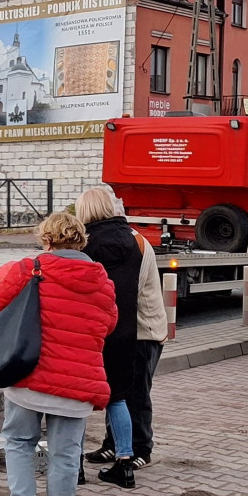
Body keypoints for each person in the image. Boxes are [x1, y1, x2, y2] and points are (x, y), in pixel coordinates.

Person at [0, 212, 116, 496]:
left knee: (19, 442)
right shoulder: (103, 281)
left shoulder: (28, 268)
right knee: (66, 454)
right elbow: (109, 325)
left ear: (46, 239)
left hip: (28, 375)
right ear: (80, 241)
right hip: (78, 383)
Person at [85, 191, 168, 469]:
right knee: (121, 391)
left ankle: (140, 449)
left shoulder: (92, 246)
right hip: (145, 328)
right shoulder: (139, 241)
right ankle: (116, 445)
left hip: (135, 330)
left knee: (130, 393)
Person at [75, 187, 143, 489]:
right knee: (118, 397)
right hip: (125, 330)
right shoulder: (132, 241)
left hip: (90, 332)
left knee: (76, 401)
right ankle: (125, 463)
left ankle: (74, 465)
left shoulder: (85, 246)